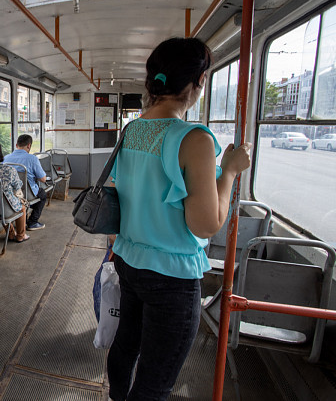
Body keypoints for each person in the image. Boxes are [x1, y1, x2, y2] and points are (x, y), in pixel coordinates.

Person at [106, 38, 252, 401]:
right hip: (171, 275)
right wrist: (230, 172)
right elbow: (205, 225)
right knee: (157, 377)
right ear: (199, 81)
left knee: (127, 344)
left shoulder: (132, 130)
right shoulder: (194, 139)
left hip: (128, 260)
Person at [4, 134, 47, 230]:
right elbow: (43, 179)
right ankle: (32, 222)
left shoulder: (6, 158)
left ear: (16, 145)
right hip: (27, 193)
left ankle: (24, 218)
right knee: (42, 195)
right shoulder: (32, 159)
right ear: (29, 145)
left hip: (10, 194)